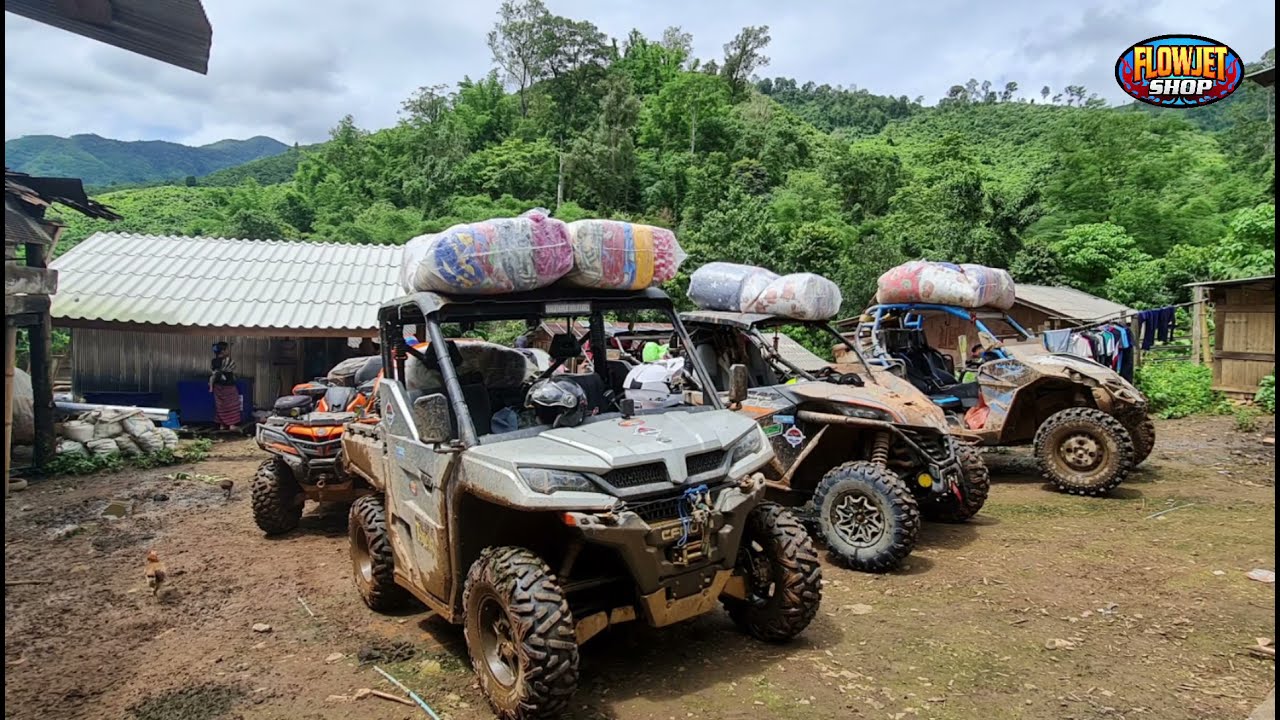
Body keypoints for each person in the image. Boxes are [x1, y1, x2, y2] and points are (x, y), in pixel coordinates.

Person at [209, 342, 241, 431]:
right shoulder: (228, 361)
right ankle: (232, 425)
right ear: (223, 351)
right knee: (233, 405)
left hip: (218, 387)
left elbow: (215, 372)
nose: (228, 351)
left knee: (220, 406)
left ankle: (222, 425)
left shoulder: (214, 361)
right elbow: (232, 369)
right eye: (227, 349)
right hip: (228, 387)